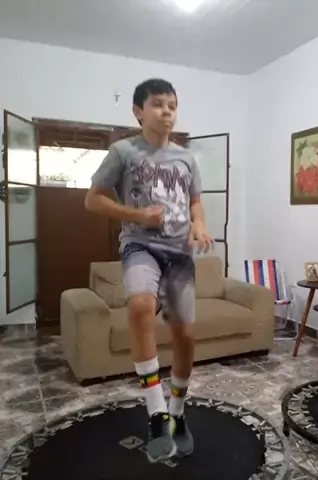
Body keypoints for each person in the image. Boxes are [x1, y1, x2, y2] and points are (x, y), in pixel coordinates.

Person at [85, 78, 214, 462]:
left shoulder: (187, 158)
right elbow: (93, 200)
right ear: (138, 112)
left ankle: (177, 414)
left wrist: (200, 226)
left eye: (172, 105)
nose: (167, 112)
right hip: (140, 245)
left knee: (185, 337)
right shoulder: (123, 151)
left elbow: (195, 202)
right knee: (141, 307)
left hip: (180, 253)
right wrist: (137, 215)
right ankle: (156, 414)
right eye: (158, 104)